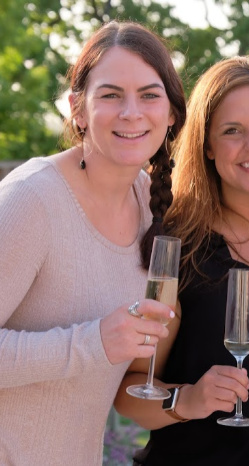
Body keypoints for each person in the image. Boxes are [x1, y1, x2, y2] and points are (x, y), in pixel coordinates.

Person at [114, 55, 249, 466]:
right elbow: (130, 391)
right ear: (209, 147)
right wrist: (187, 399)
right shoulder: (178, 249)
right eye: (232, 131)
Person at [0, 20, 186, 465]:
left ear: (172, 113)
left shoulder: (151, 204)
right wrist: (95, 342)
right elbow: (98, 345)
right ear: (77, 110)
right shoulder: (33, 199)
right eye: (110, 95)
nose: (131, 112)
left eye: (148, 94)